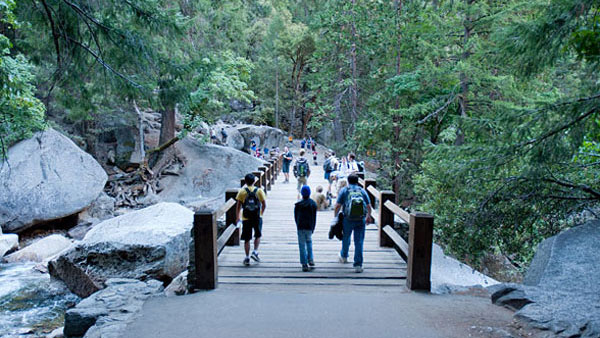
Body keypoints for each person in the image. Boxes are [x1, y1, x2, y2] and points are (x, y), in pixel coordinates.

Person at [333, 174, 373, 273]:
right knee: (359, 241)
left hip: (348, 218)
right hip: (360, 219)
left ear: (348, 181)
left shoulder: (345, 190)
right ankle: (358, 265)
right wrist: (369, 216)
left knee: (346, 237)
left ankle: (344, 256)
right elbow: (368, 205)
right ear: (358, 181)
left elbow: (338, 205)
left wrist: (335, 216)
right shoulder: (362, 191)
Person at [235, 173, 267, 266]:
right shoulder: (259, 191)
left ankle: (247, 257)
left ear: (245, 181)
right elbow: (264, 204)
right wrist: (261, 213)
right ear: (254, 181)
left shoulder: (242, 192)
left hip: (246, 217)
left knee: (247, 238)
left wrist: (237, 217)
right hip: (257, 217)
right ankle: (255, 251)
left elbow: (238, 206)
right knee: (257, 235)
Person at [294, 185, 317, 272]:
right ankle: (310, 259)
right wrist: (313, 227)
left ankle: (304, 263)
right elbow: (314, 217)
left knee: (302, 245)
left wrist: (298, 225)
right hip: (309, 226)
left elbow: (296, 217)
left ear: (302, 194)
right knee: (309, 242)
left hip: (300, 227)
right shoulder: (313, 204)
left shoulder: (298, 205)